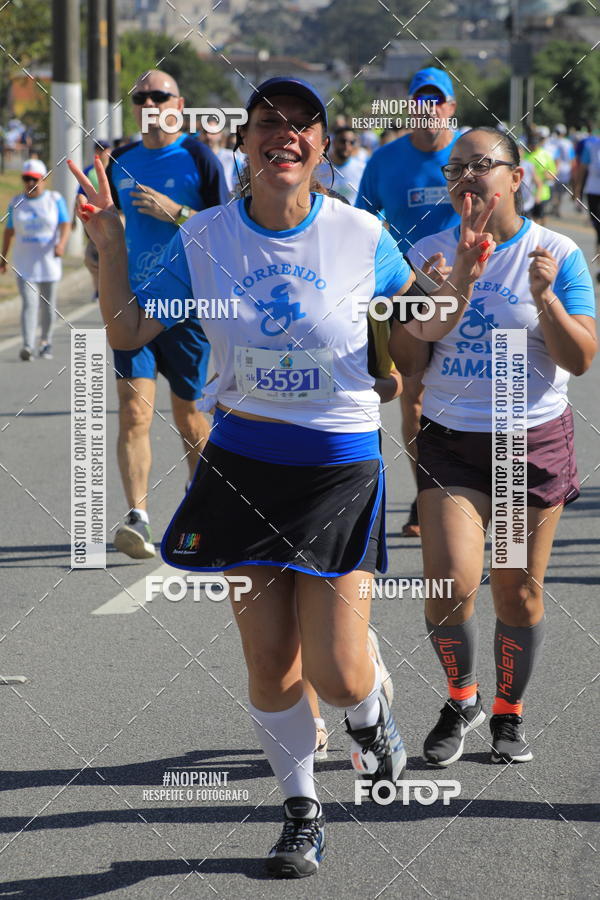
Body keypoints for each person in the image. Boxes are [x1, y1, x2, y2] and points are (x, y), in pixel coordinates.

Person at [69, 75, 493, 878]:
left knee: (335, 671)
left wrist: (465, 277)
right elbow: (127, 326)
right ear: (246, 141)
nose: (286, 135)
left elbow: (424, 319)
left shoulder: (361, 234)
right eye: (269, 122)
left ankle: (369, 716)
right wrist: (113, 247)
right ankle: (301, 810)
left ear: (322, 147)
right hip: (243, 464)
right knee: (270, 663)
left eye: (304, 125)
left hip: (336, 464)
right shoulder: (208, 239)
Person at [403, 126, 596, 767]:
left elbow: (581, 357)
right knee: (450, 582)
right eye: (456, 167)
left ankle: (509, 713)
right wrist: (449, 281)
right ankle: (462, 697)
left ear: (517, 177)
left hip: (526, 443)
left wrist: (544, 300)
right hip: (452, 442)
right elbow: (407, 356)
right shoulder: (428, 253)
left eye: (482, 165)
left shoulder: (556, 252)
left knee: (515, 590)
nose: (467, 177)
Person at [105, 69, 229, 559]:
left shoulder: (198, 157)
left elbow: (228, 230)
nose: (150, 102)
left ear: (180, 102)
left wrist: (175, 210)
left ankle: (201, 506)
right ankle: (138, 517)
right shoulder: (120, 160)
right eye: (141, 96)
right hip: (132, 306)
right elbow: (109, 228)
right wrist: (100, 250)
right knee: (134, 411)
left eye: (160, 95)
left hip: (185, 309)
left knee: (190, 419)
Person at [356, 66, 461, 539]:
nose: (429, 109)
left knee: (473, 396)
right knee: (414, 404)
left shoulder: (467, 156)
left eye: (437, 100)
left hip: (469, 291)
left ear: (451, 108)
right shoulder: (384, 161)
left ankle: (478, 492)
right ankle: (426, 499)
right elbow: (360, 224)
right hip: (408, 294)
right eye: (421, 99)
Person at [0, 158, 71, 360]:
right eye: (26, 179)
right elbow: (9, 231)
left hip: (49, 262)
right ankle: (28, 345)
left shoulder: (54, 199)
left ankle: (46, 342)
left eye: (34, 179)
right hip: (25, 263)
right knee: (29, 304)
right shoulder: (16, 202)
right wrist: (3, 258)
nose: (30, 183)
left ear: (43, 179)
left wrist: (61, 244)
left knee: (48, 306)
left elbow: (65, 224)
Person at [74, 139, 112, 300]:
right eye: (99, 149)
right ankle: (98, 289)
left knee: (112, 254)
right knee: (93, 258)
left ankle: (113, 287)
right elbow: (79, 196)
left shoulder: (116, 169)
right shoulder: (89, 172)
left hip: (114, 220)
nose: (102, 153)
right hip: (92, 221)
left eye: (105, 149)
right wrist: (72, 218)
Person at [315, 126, 366, 204]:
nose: (347, 146)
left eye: (351, 142)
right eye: (343, 141)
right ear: (334, 142)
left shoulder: (362, 169)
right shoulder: (318, 167)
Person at [576, 131, 600, 284]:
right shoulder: (591, 146)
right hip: (594, 193)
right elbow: (582, 168)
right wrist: (577, 190)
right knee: (599, 229)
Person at [524, 129, 557, 226]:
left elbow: (553, 174)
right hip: (526, 194)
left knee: (539, 218)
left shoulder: (545, 155)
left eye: (535, 143)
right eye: (531, 143)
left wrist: (549, 176)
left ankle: (541, 236)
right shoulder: (524, 156)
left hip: (542, 193)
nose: (533, 146)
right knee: (528, 220)